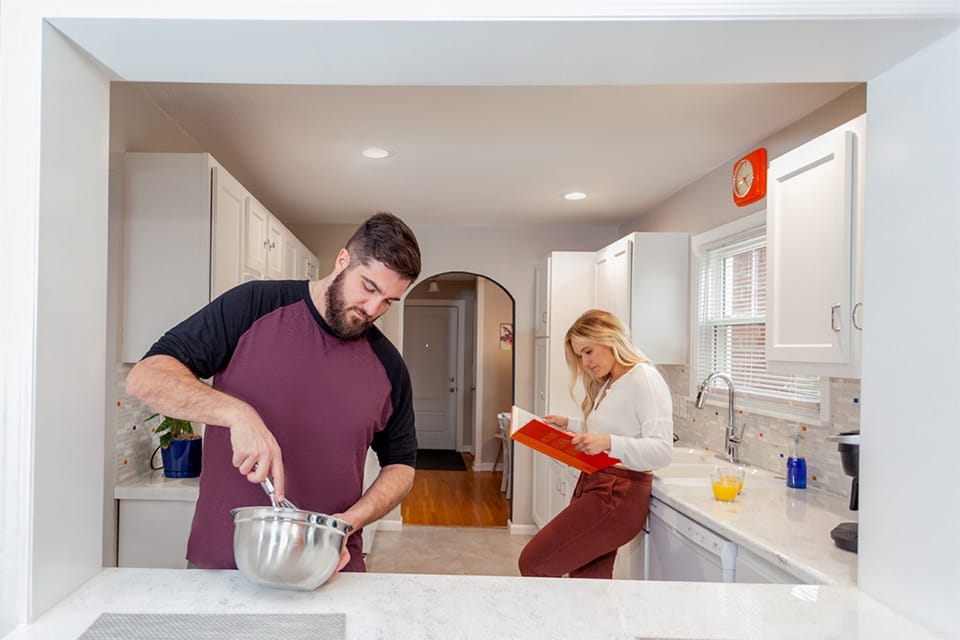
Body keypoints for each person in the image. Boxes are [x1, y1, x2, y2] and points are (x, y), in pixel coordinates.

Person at [125, 211, 422, 579]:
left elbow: (402, 466)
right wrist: (237, 414)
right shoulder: (253, 307)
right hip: (222, 566)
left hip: (329, 569)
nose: (373, 310)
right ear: (343, 260)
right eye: (369, 287)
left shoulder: (388, 366)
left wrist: (347, 523)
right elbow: (146, 377)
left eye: (389, 301)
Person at [518, 309, 673, 579]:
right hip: (598, 484)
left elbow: (661, 450)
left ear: (609, 338)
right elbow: (617, 427)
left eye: (588, 351)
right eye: (580, 356)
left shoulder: (644, 378)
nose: (585, 362)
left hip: (618, 494)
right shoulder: (613, 381)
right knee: (588, 581)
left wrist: (608, 443)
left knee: (534, 562)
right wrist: (571, 424)